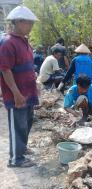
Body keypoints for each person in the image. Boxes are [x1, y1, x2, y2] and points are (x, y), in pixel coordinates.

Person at [0, 6, 39, 167]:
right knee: (18, 125)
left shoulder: (24, 42)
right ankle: (16, 159)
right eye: (29, 23)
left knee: (27, 122)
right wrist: (15, 93)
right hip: (17, 94)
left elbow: (27, 65)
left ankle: (21, 149)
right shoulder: (8, 43)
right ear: (19, 22)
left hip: (28, 92)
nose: (31, 26)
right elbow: (5, 69)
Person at [63, 74, 92, 139]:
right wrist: (74, 113)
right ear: (77, 85)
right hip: (78, 110)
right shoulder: (72, 91)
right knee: (82, 97)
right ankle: (83, 118)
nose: (84, 91)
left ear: (89, 86)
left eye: (86, 89)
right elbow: (66, 106)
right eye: (82, 89)